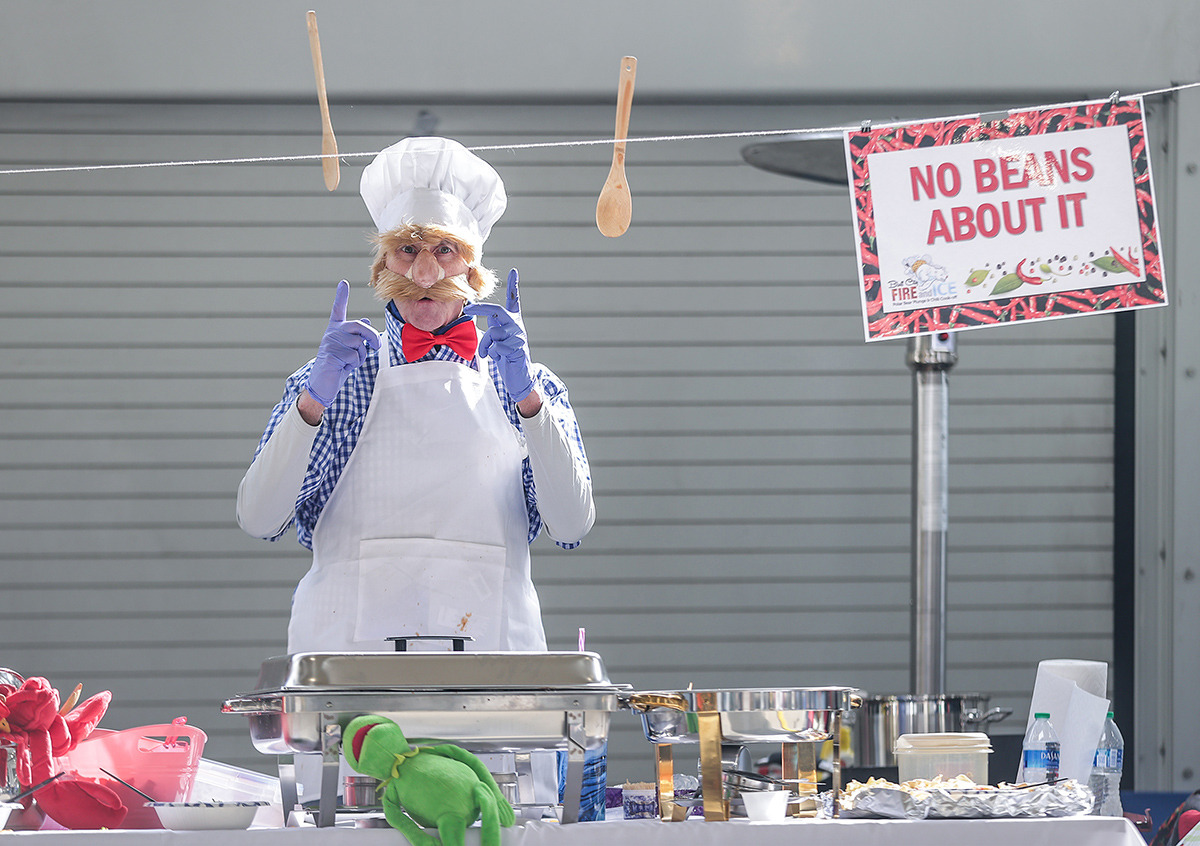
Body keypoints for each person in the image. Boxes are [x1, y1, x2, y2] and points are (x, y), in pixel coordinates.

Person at [236, 136, 595, 656]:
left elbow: (571, 524)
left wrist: (531, 403)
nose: (424, 274)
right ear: (382, 266)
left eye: (444, 250)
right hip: (351, 677)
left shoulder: (523, 384)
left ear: (472, 270)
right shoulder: (336, 381)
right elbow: (258, 518)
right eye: (407, 250)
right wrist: (311, 405)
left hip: (491, 672)